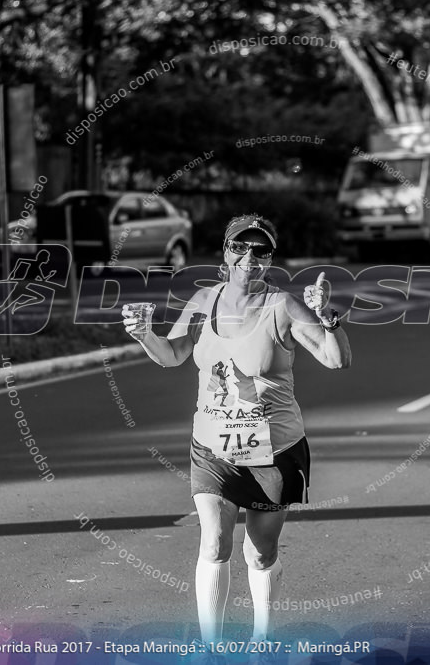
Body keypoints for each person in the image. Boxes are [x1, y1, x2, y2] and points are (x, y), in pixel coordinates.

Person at [121, 214, 352, 649]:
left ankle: (262, 641)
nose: (250, 257)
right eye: (240, 248)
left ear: (270, 257)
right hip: (212, 447)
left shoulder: (283, 306)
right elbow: (171, 355)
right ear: (224, 253)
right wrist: (144, 335)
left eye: (261, 250)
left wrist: (327, 318)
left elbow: (335, 359)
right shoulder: (203, 302)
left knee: (260, 552)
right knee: (214, 541)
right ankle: (212, 648)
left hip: (274, 450)